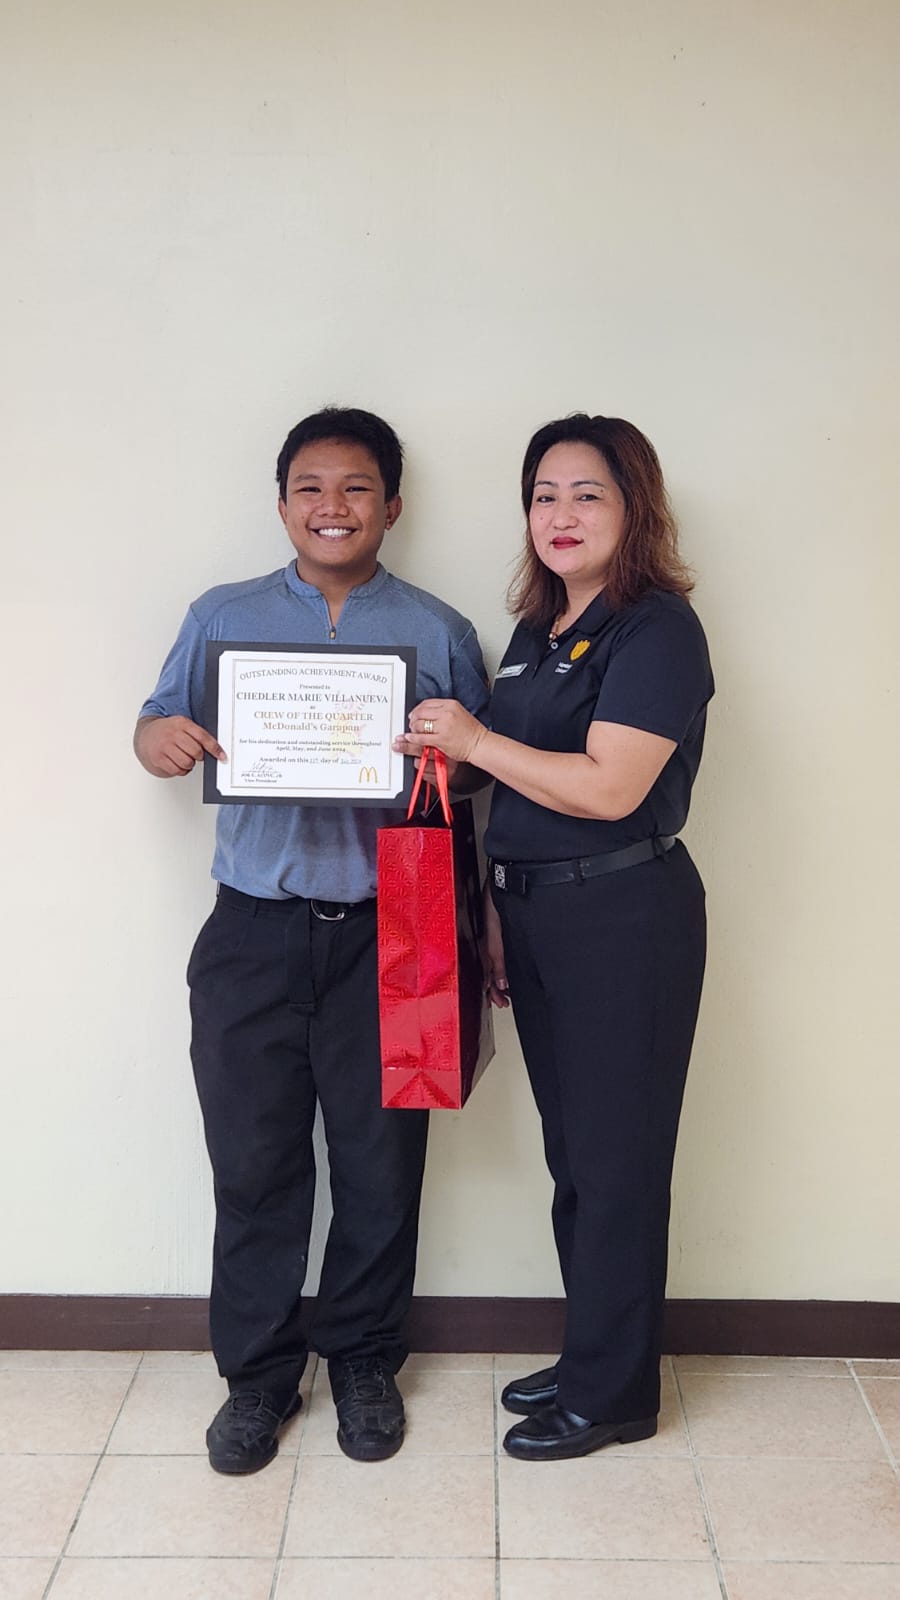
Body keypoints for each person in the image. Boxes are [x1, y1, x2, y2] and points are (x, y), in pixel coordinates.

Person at [134, 407, 489, 1473]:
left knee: (382, 1166)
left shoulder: (435, 628)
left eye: (357, 487)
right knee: (254, 1164)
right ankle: (257, 1379)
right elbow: (156, 719)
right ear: (282, 501)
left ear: (393, 504)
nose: (333, 506)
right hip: (250, 930)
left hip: (401, 927)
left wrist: (440, 755)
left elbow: (478, 772)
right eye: (311, 487)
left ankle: (367, 1362)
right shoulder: (222, 613)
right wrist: (162, 738)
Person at [397, 413, 713, 1461]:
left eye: (588, 494)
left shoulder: (655, 629)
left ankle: (615, 1393)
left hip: (625, 919)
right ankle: (594, 1353)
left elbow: (612, 784)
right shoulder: (538, 633)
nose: (561, 515)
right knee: (577, 1157)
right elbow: (499, 781)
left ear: (635, 509)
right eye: (544, 494)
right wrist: (492, 906)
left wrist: (476, 736)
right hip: (534, 913)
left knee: (619, 1161)